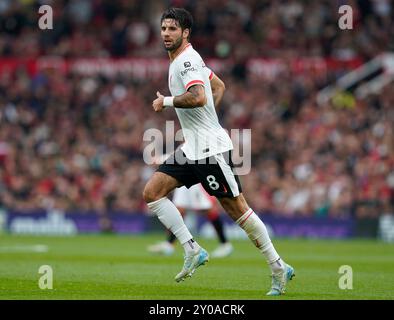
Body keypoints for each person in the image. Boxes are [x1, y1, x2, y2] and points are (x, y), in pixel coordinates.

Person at [143, 7, 294, 296]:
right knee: (152, 193)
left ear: (185, 32)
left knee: (237, 210)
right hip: (193, 147)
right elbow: (218, 85)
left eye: (172, 29)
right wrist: (205, 123)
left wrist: (168, 102)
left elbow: (200, 96)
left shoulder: (185, 60)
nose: (166, 33)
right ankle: (192, 249)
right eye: (163, 28)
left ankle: (278, 267)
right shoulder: (186, 58)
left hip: (210, 150)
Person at [147, 183, 234, 258]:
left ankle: (225, 244)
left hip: (194, 173)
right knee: (179, 210)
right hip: (182, 174)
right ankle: (169, 245)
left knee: (208, 209)